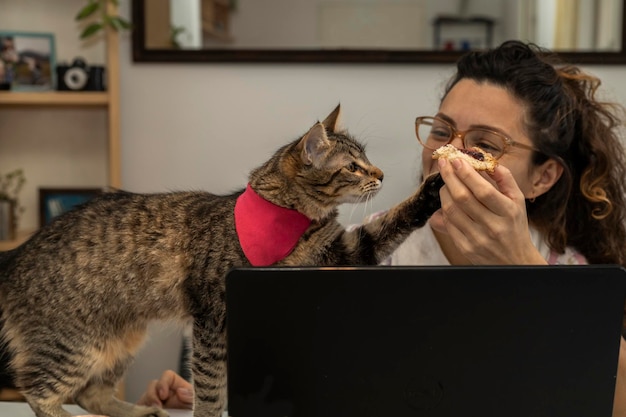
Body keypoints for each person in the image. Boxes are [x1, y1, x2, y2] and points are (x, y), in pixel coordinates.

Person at [89, 40, 626, 415]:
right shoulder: (365, 250)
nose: (450, 157)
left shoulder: (566, 276)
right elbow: (285, 372)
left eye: (484, 145)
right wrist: (208, 398)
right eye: (441, 132)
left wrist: (522, 277)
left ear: (543, 177)